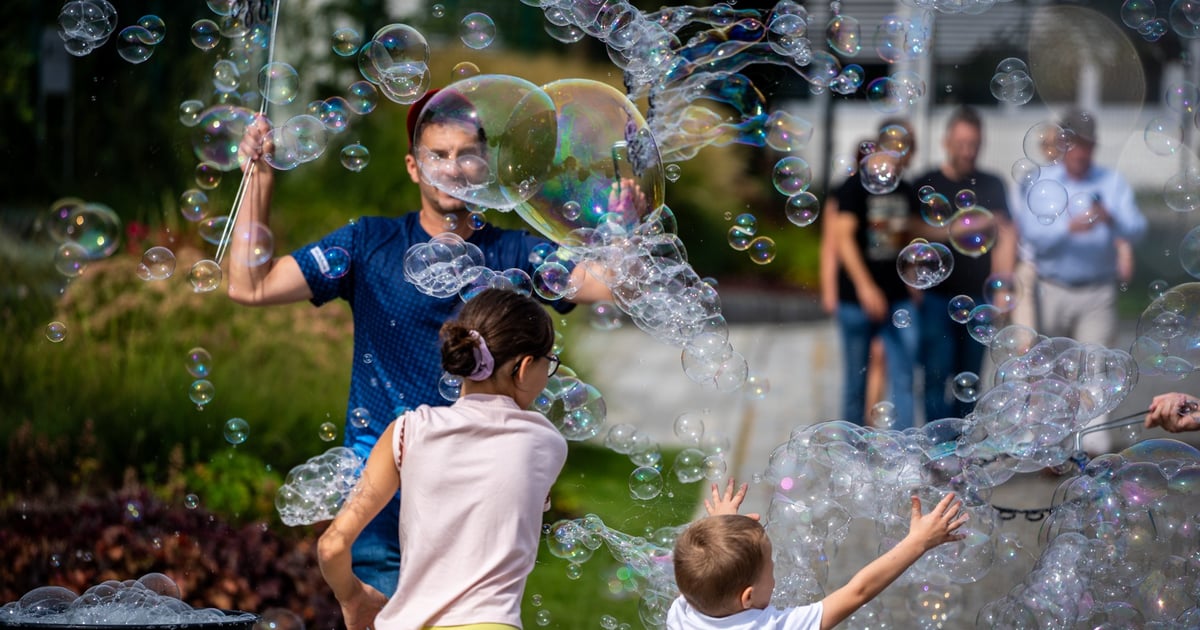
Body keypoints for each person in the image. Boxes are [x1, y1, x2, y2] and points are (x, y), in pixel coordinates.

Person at [230, 89, 613, 595]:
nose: (453, 168)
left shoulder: (516, 251)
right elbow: (249, 284)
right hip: (381, 497)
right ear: (414, 166)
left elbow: (606, 283)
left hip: (474, 498)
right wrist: (258, 178)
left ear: (485, 165)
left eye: (467, 154)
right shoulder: (368, 243)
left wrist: (626, 224)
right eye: (438, 154)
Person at [317, 288, 567, 630]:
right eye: (548, 363)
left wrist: (354, 598)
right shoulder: (545, 442)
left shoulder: (406, 432)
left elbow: (331, 546)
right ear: (524, 368)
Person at [1010, 108, 1147, 454]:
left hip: (1097, 289)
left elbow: (1137, 228)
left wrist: (1110, 218)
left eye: (1087, 145)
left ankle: (1092, 449)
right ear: (1062, 145)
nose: (1081, 153)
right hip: (1050, 286)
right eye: (1074, 145)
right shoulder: (1044, 181)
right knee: (1048, 371)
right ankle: (1048, 446)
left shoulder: (1110, 182)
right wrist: (1068, 229)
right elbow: (1031, 234)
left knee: (1094, 369)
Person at [667, 480, 967, 629]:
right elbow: (857, 592)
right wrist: (918, 542)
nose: (774, 572)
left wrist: (720, 527)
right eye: (769, 569)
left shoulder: (680, 613)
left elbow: (701, 564)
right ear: (747, 598)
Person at [912, 106, 1015, 420]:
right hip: (935, 297)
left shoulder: (992, 184)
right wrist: (957, 229)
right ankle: (934, 448)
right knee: (936, 373)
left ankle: (962, 450)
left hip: (979, 297)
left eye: (974, 144)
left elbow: (1006, 235)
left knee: (969, 378)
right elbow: (911, 230)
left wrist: (1003, 286)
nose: (968, 151)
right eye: (961, 144)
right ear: (946, 142)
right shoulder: (925, 182)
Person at [833, 120, 922, 430]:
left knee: (904, 378)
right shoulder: (855, 186)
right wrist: (866, 287)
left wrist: (915, 279)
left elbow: (910, 237)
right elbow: (842, 239)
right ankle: (849, 456)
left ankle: (906, 454)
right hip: (857, 300)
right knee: (856, 380)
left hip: (898, 299)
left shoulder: (907, 189)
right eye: (905, 148)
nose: (908, 157)